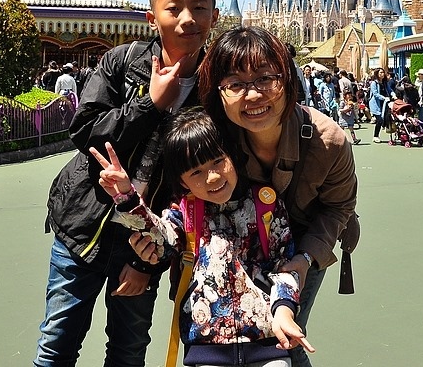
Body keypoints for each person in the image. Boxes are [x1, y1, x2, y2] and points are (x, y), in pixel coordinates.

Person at [33, 0, 218, 367]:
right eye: (174, 8)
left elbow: (198, 184)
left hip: (146, 243)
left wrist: (145, 261)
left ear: (214, 16)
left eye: (199, 7)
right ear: (152, 18)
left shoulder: (214, 89)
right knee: (57, 344)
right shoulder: (123, 62)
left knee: (128, 352)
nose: (188, 19)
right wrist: (149, 103)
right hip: (83, 229)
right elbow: (85, 132)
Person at [92, 108, 314, 366]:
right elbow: (160, 239)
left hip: (268, 345)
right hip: (207, 351)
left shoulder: (266, 205)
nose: (213, 176)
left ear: (233, 155)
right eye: (196, 172)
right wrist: (127, 197)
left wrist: (284, 310)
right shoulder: (185, 213)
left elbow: (284, 267)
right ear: (182, 182)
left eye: (218, 161)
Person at [197, 26, 358, 367]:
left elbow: (338, 206)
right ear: (218, 92)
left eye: (266, 79)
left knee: (288, 339)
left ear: (288, 82)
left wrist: (305, 259)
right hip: (239, 246)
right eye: (235, 84)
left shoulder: (328, 141)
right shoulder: (212, 139)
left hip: (304, 242)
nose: (253, 95)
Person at [368, 68, 389, 143]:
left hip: (384, 104)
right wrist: (384, 98)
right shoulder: (374, 83)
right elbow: (375, 94)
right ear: (377, 74)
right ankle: (375, 136)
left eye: (383, 72)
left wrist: (393, 94)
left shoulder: (385, 83)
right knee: (379, 120)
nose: (382, 74)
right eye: (380, 72)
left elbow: (390, 90)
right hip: (375, 104)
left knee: (386, 118)